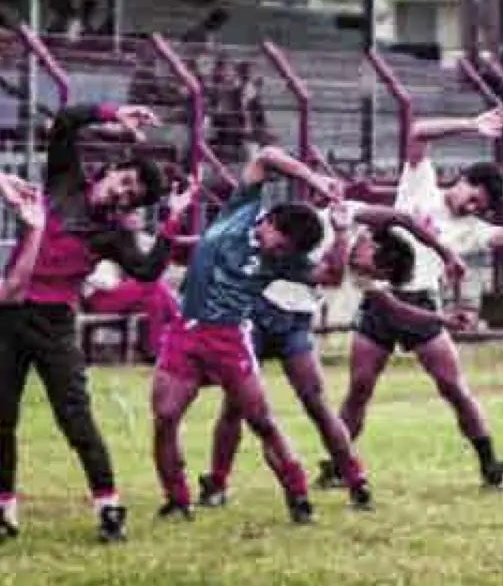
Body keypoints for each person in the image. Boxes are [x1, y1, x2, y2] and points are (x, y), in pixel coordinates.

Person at [323, 106, 503, 491]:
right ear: (463, 179)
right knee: (360, 387)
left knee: (452, 387)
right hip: (381, 298)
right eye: (473, 198)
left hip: (421, 307)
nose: (471, 208)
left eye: (479, 208)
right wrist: (470, 124)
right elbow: (418, 131)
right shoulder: (421, 184)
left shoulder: (470, 229)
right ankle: (338, 464)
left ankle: (489, 461)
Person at [197, 197, 465, 511]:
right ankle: (217, 482)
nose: (368, 277)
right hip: (255, 314)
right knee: (237, 404)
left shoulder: (355, 266)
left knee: (316, 402)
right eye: (376, 272)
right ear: (374, 246)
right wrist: (444, 251)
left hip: (294, 325)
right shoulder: (341, 218)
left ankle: (355, 480)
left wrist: (442, 320)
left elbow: (394, 307)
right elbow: (403, 218)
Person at [0, 103, 181, 543]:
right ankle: (5, 510)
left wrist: (172, 221)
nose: (125, 193)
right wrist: (113, 113)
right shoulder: (64, 180)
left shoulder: (113, 235)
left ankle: (108, 506)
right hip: (8, 314)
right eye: (126, 181)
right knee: (1, 417)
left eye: (134, 195)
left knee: (75, 418)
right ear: (112, 169)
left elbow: (146, 272)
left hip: (55, 323)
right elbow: (65, 122)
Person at [151, 144, 341, 524]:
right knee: (166, 416)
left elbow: (331, 276)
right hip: (186, 332)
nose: (279, 251)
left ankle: (298, 496)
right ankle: (177, 498)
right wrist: (312, 178)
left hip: (230, 340)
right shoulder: (239, 210)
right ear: (268, 221)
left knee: (262, 421)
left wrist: (344, 231)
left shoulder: (283, 262)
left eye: (288, 251)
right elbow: (267, 155)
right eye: (280, 242)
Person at [81, 209, 182, 361]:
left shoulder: (142, 240)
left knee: (154, 301)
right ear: (120, 217)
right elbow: (97, 278)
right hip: (100, 296)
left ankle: (155, 351)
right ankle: (180, 324)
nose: (136, 218)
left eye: (139, 214)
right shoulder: (107, 237)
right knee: (151, 283)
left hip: (125, 294)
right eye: (132, 214)